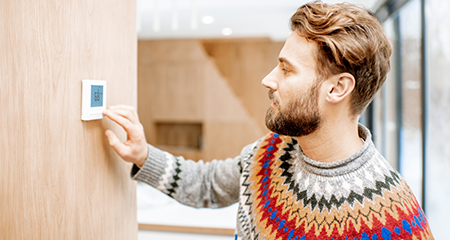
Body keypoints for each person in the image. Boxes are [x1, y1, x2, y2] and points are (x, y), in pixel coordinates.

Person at [103, 1, 434, 239]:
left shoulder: (394, 222)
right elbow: (207, 185)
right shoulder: (274, 149)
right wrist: (143, 155)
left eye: (287, 69)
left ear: (337, 87)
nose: (268, 79)